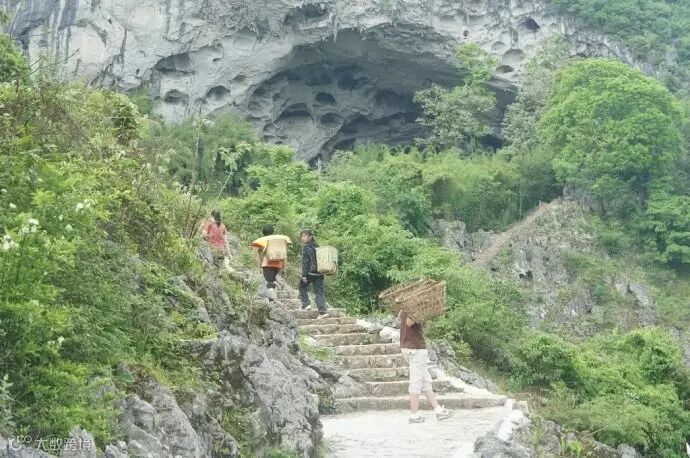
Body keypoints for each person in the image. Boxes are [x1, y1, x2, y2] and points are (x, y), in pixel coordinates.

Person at [399, 309, 454, 423]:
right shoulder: (414, 306)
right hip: (415, 348)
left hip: (409, 347)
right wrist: (422, 312)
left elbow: (402, 319)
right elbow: (409, 322)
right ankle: (414, 415)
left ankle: (438, 410)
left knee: (425, 381)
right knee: (416, 382)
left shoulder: (405, 306)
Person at [250, 225, 291, 302]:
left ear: (263, 233)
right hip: (277, 265)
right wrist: (284, 268)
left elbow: (259, 256)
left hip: (267, 264)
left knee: (269, 283)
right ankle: (272, 299)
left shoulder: (262, 241)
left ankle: (272, 301)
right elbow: (284, 255)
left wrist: (260, 267)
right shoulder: (278, 241)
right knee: (272, 280)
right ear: (272, 232)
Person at [299, 229, 328, 318]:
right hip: (320, 273)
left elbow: (305, 262)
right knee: (319, 292)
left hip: (310, 273)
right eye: (302, 236)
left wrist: (304, 275)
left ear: (310, 237)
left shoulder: (306, 247)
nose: (303, 238)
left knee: (302, 286)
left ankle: (306, 304)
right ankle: (322, 312)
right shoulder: (317, 246)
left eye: (304, 236)